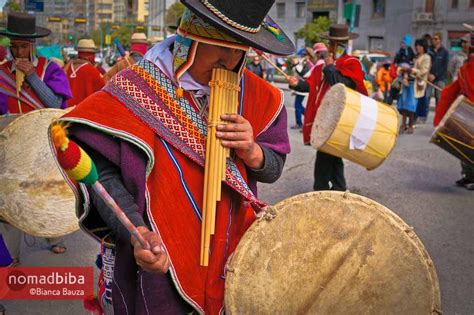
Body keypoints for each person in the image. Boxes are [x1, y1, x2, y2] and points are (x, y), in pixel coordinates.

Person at [51, 1, 294, 313]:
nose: (231, 61)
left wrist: (253, 152)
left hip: (234, 256)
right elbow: (103, 174)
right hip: (160, 256)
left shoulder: (261, 96)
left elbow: (272, 169)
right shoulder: (133, 89)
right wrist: (134, 230)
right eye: (221, 48)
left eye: (240, 50)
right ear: (189, 41)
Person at [0, 12, 71, 263]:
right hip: (13, 146)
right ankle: (11, 255)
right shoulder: (1, 73)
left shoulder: (49, 69)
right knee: (11, 197)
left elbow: (56, 104)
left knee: (47, 188)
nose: (18, 52)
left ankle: (54, 237)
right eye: (14, 46)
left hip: (43, 141)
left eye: (23, 46)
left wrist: (31, 77)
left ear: (33, 45)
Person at [289, 24, 367, 191]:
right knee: (332, 155)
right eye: (330, 43)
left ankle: (322, 189)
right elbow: (311, 87)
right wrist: (297, 84)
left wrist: (331, 67)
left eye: (334, 44)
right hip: (325, 117)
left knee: (325, 156)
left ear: (342, 45)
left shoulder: (351, 63)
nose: (331, 47)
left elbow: (345, 86)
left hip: (341, 119)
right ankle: (338, 187)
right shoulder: (323, 66)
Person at [434, 25, 474, 190]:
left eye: (469, 41)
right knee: (465, 144)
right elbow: (459, 84)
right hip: (468, 108)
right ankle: (468, 175)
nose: (467, 44)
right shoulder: (467, 63)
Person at [65, 39, 105, 107]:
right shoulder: (92, 70)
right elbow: (104, 91)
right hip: (82, 112)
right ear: (92, 55)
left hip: (62, 111)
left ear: (78, 53)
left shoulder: (65, 68)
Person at [289, 49, 313, 129]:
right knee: (298, 105)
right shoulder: (303, 63)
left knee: (297, 105)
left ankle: (300, 122)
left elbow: (304, 74)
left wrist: (296, 65)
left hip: (303, 87)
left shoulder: (307, 64)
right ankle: (309, 118)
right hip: (300, 87)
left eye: (305, 54)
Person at [426, 32, 449, 108]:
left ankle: (438, 118)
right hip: (429, 77)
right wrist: (428, 74)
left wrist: (435, 75)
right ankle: (423, 118)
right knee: (426, 97)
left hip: (440, 78)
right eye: (433, 39)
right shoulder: (429, 51)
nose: (433, 40)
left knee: (439, 98)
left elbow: (444, 67)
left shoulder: (444, 52)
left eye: (436, 39)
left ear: (440, 40)